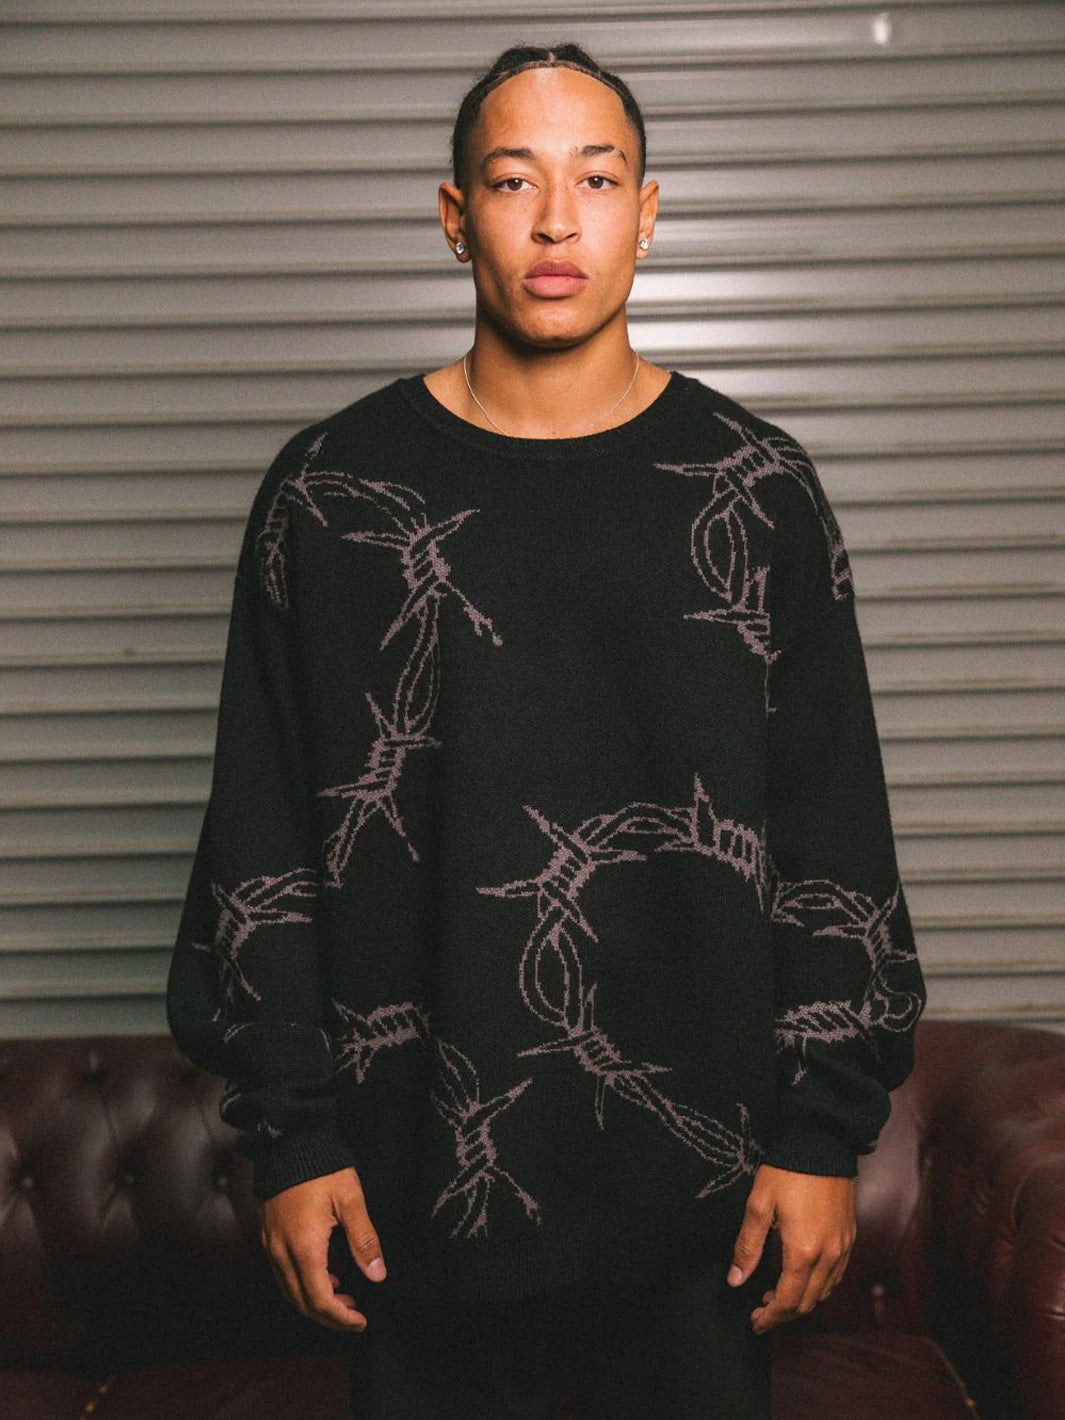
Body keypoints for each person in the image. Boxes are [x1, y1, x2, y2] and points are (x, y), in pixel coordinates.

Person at [166, 40, 928, 1419]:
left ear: (650, 211)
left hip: (703, 1213)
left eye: (599, 178)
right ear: (455, 216)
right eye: (515, 181)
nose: (559, 222)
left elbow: (833, 831)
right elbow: (260, 833)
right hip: (415, 1204)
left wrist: (823, 1134)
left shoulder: (757, 489)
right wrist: (292, 1140)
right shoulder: (330, 493)